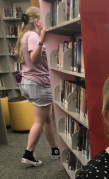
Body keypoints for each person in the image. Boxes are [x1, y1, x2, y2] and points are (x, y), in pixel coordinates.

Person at [15, 7, 60, 167]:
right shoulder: (34, 36)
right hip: (39, 83)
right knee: (39, 122)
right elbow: (34, 59)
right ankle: (28, 153)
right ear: (37, 21)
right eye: (44, 20)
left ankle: (55, 150)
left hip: (31, 82)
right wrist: (42, 39)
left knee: (47, 119)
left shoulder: (25, 35)